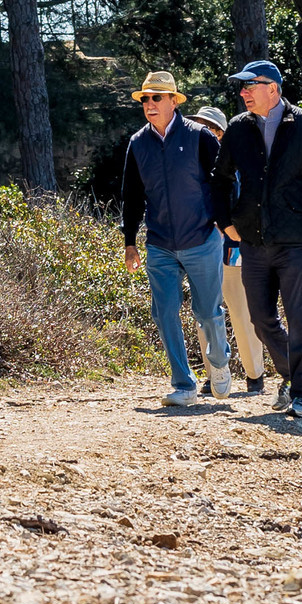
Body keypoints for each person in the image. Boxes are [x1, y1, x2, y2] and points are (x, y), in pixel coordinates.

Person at [210, 59, 302, 419]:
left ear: (273, 88)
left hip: (296, 240)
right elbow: (219, 179)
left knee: (298, 316)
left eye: (249, 86)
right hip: (252, 240)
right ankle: (291, 375)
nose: (243, 93)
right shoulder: (238, 128)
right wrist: (226, 222)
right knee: (261, 319)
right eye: (242, 87)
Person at [121, 70, 231, 410]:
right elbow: (132, 195)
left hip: (202, 238)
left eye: (156, 98)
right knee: (165, 311)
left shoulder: (200, 137)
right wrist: (130, 241)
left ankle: (219, 359)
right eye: (145, 99)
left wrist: (224, 224)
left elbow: (223, 183)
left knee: (207, 311)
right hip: (159, 243)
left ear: (173, 101)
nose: (150, 104)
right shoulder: (138, 143)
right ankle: (184, 384)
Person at [191, 105, 267, 397]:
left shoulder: (233, 164)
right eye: (199, 126)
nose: (204, 131)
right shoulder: (190, 165)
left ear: (222, 133)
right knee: (205, 317)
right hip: (200, 251)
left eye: (210, 127)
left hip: (232, 250)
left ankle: (255, 375)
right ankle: (214, 376)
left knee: (242, 312)